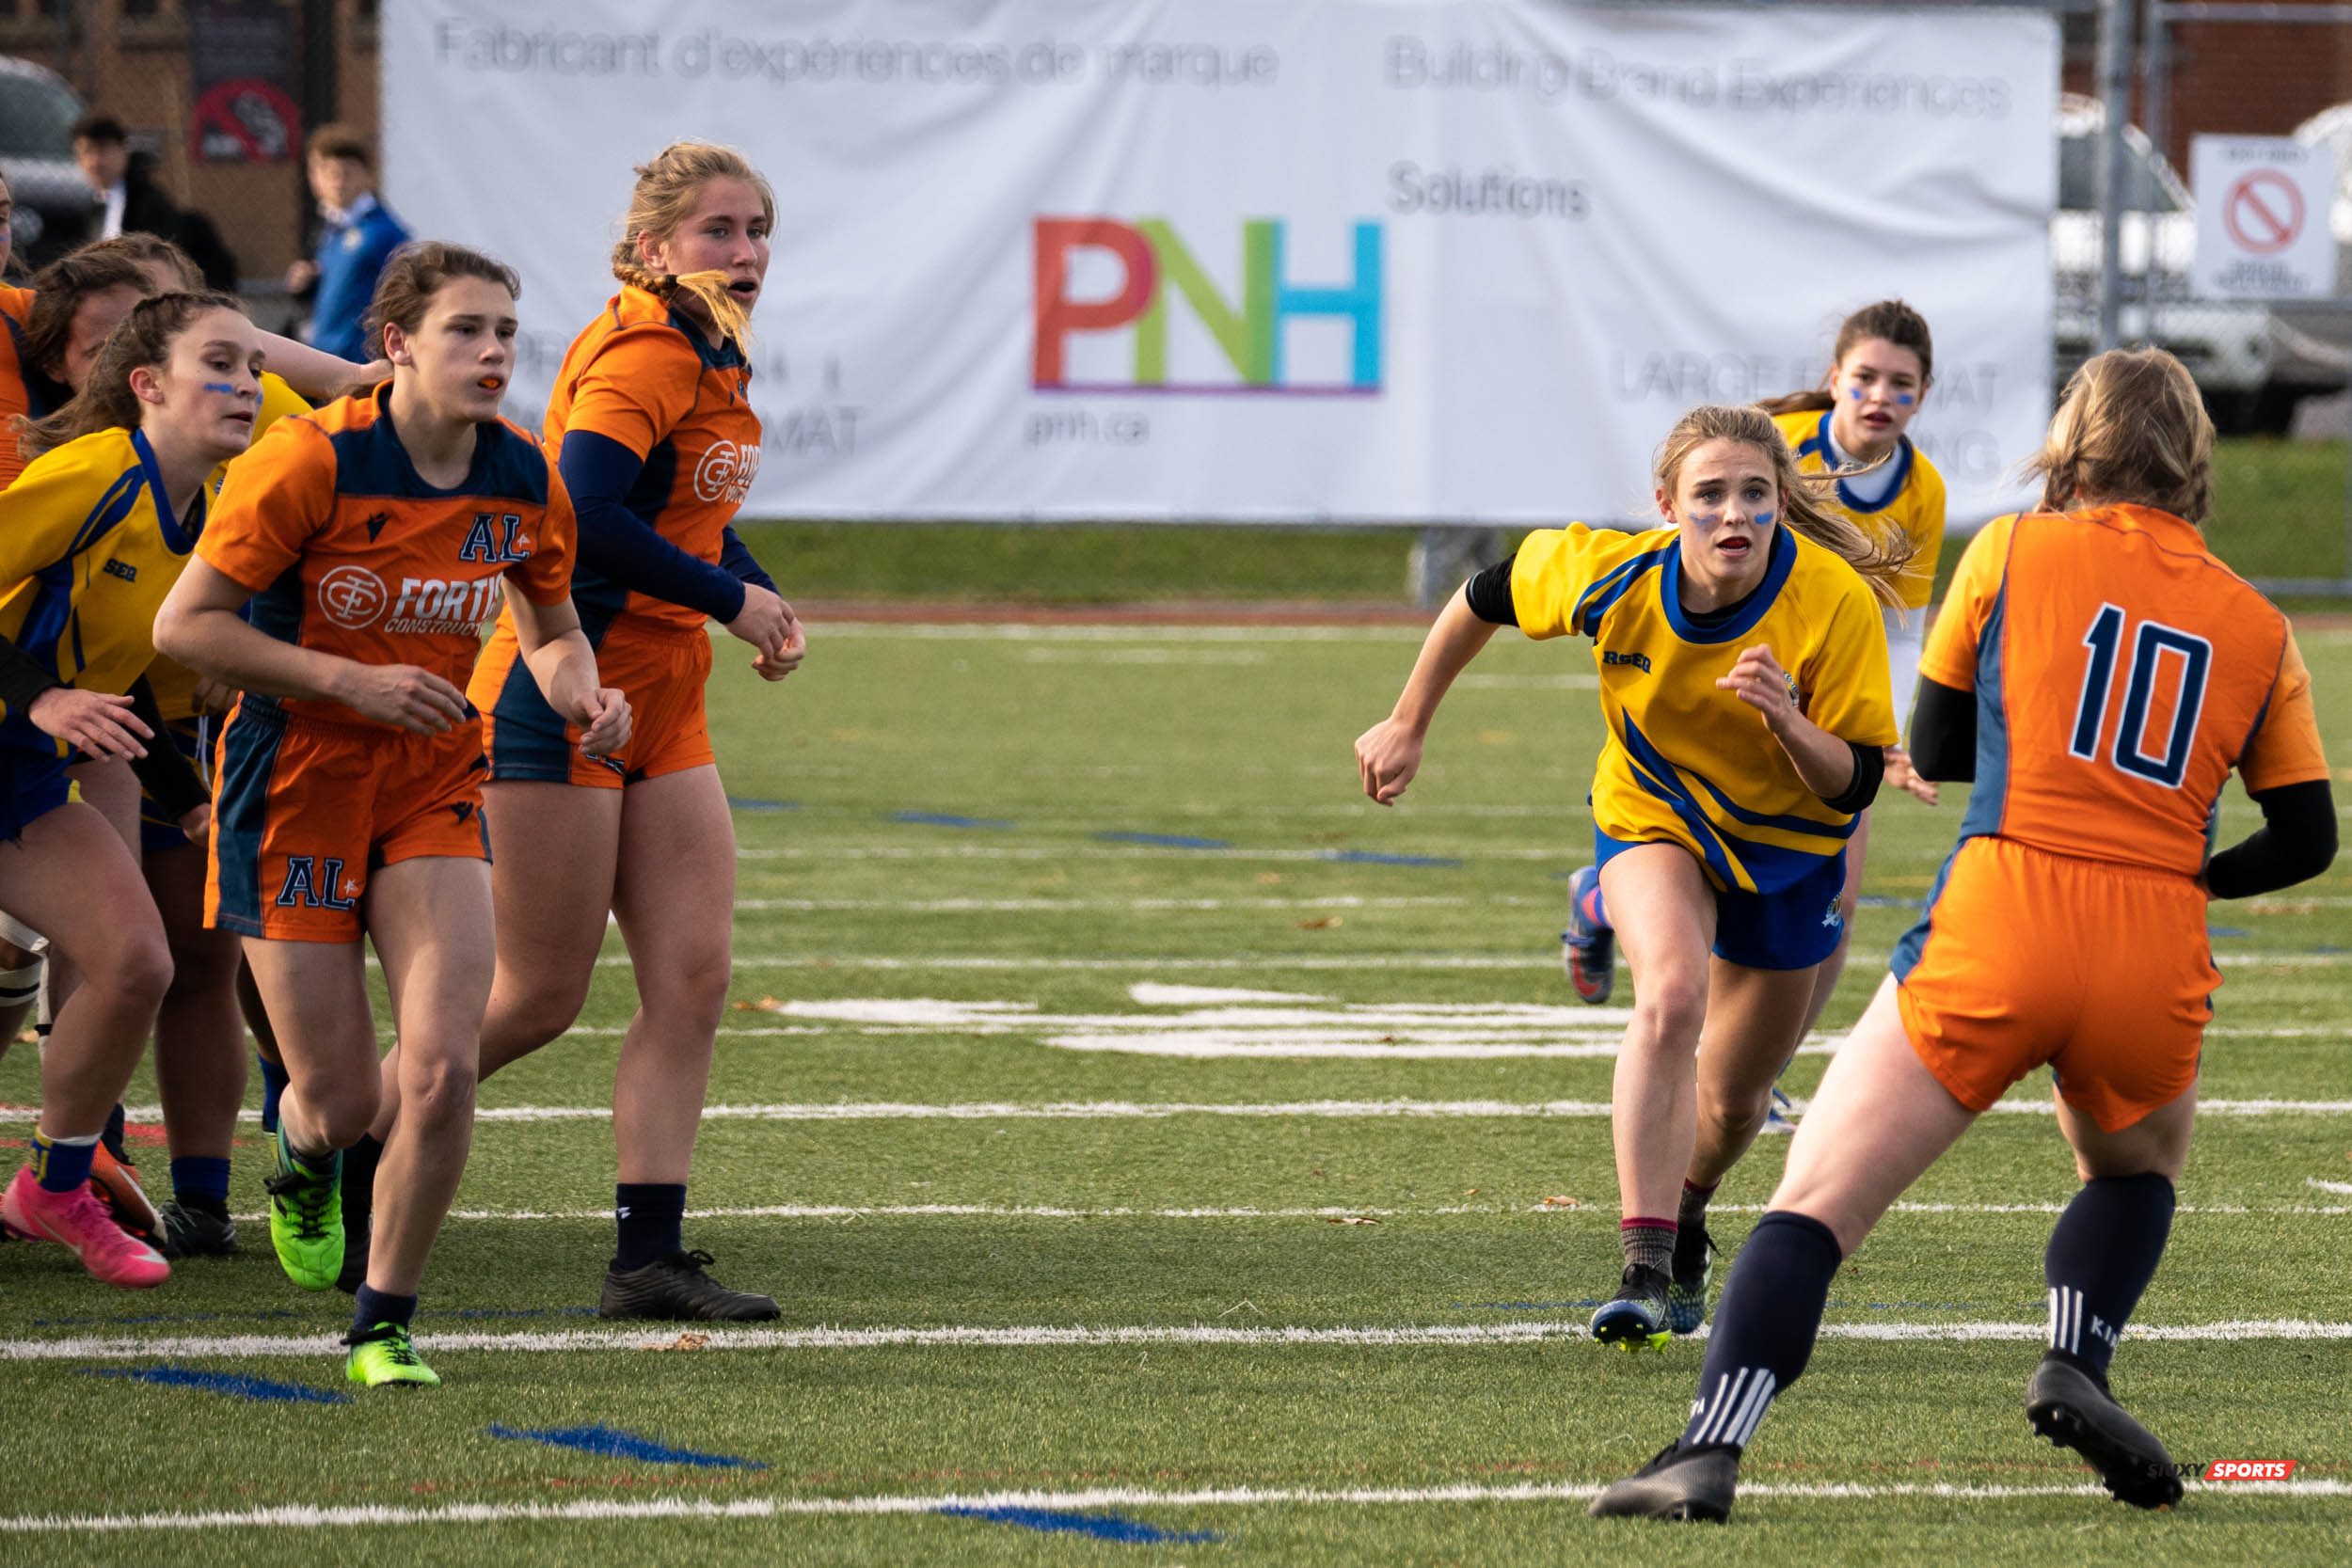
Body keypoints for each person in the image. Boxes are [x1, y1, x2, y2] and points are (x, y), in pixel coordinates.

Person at [1590, 348, 2336, 1522]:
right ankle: (2075, 1358)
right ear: (2192, 458)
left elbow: (1932, 746)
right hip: (2151, 935)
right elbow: (2306, 836)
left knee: (1815, 1198)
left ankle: (1708, 1444)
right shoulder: (2256, 619)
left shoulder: (2010, 548)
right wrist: (2190, 867)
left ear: (2072, 443)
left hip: (2005, 907)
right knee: (2135, 1171)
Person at [153, 241, 628, 1386]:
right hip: (293, 777)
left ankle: (383, 1323)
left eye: (505, 331)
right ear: (396, 344)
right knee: (339, 1095)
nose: (494, 352)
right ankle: (303, 1151)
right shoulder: (308, 460)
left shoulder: (523, 473)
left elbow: (552, 627)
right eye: (467, 329)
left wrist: (584, 693)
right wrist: (349, 680)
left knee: (442, 1067)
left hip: (431, 778)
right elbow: (185, 626)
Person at [1355, 404, 1908, 1349]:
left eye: (1754, 493)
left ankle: (1688, 1209)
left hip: (1789, 849)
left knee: (1734, 1102)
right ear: (1666, 504)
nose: (1732, 513)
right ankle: (1642, 1269)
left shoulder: (1832, 599)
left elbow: (1854, 779)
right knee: (1672, 998)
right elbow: (1483, 594)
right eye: (1708, 494)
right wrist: (1407, 720)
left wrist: (1786, 719)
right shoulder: (1616, 572)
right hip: (1655, 814)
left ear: (1780, 503)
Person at [370, 142, 800, 1322]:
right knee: (538, 993)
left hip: (665, 692)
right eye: (718, 229)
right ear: (653, 247)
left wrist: (757, 596)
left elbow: (689, 515)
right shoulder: (647, 347)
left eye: (758, 229)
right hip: (564, 690)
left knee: (693, 976)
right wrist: (729, 598)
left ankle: (646, 1258)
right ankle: (341, 1136)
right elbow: (586, 509)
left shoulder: (714, 349)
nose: (746, 251)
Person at [0, 290, 265, 1289]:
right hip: (21, 735)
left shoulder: (213, 504)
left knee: (135, 962)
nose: (247, 385)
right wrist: (40, 697)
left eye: (254, 367)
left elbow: (128, 680)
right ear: (147, 384)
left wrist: (190, 797)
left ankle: (55, 1186)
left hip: (22, 770)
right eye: (221, 365)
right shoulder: (94, 472)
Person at [285, 125, 409, 363]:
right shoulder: (329, 228)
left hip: (362, 360)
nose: (338, 182)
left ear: (368, 176)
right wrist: (307, 283)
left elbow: (405, 296)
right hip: (325, 354)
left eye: (348, 172)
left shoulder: (385, 232)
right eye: (330, 172)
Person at [69, 117, 234, 290]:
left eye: (103, 150)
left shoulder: (147, 203)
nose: (94, 161)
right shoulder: (96, 206)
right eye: (86, 151)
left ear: (123, 151)